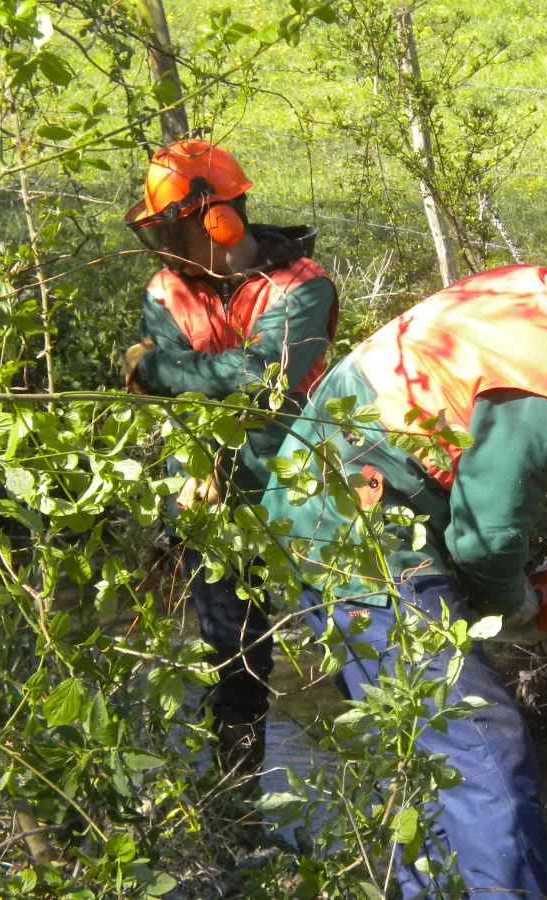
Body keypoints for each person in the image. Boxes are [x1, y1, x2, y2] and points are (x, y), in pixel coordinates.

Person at [264, 182, 547, 897]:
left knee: (425, 741)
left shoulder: (528, 292)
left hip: (320, 499)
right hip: (359, 531)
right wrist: (512, 606)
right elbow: (486, 538)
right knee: (481, 741)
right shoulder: (539, 368)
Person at [121, 139, 338, 764]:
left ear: (218, 219)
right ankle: (237, 795)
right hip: (210, 487)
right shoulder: (166, 289)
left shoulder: (302, 287)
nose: (163, 247)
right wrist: (196, 457)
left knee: (347, 632)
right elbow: (185, 396)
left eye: (173, 229)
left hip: (300, 484)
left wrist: (161, 368)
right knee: (232, 656)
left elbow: (260, 376)